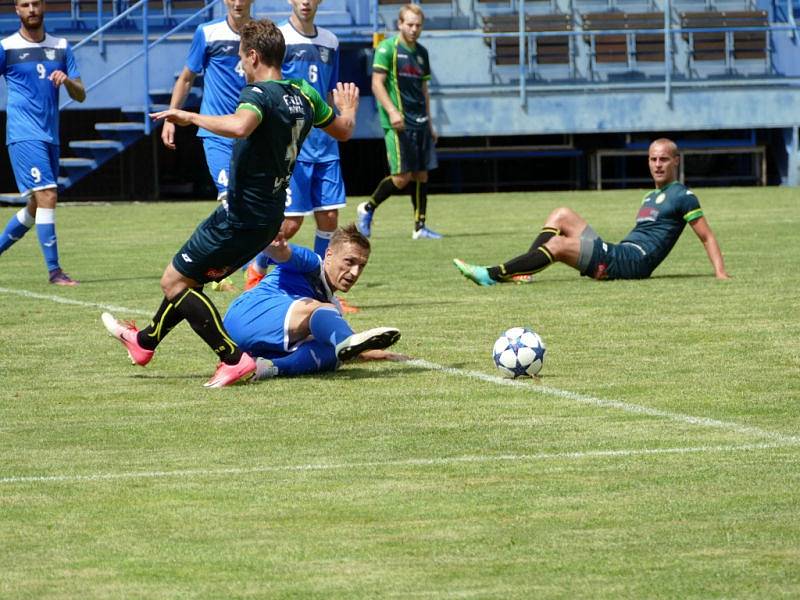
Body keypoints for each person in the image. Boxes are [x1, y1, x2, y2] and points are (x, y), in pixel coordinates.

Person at [101, 19, 360, 387]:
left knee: (174, 283)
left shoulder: (258, 93)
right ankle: (144, 342)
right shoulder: (303, 93)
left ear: (253, 56)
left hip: (239, 215)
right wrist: (347, 109)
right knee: (192, 277)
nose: (241, 64)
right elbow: (344, 130)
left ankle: (233, 358)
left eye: (242, 57)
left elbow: (241, 126)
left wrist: (188, 115)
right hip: (270, 217)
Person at [454, 138, 731, 285]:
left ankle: (491, 273)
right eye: (652, 159)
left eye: (663, 159)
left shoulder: (683, 195)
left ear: (676, 162)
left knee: (559, 245)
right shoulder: (650, 195)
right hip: (622, 251)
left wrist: (720, 274)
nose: (657, 164)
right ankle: (523, 272)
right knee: (561, 213)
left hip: (634, 263)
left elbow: (706, 236)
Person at [244, 0, 354, 315]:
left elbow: (331, 90)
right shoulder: (280, 38)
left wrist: (341, 121)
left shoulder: (330, 41)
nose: (305, 1)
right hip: (295, 143)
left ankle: (322, 289)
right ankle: (257, 267)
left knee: (329, 219)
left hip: (326, 143)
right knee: (290, 224)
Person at [225, 224, 404, 379]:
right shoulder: (311, 263)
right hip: (245, 315)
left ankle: (268, 367)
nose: (355, 272)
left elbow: (351, 350)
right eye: (349, 261)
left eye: (361, 266)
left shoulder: (332, 309)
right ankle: (343, 341)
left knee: (331, 351)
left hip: (248, 347)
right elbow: (281, 252)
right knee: (328, 318)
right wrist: (259, 269)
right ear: (329, 254)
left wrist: (385, 355)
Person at [0, 0, 86, 285]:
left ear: (44, 6)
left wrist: (68, 81)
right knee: (48, 194)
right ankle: (55, 271)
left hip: (51, 135)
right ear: (17, 10)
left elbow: (81, 94)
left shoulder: (61, 46)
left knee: (37, 205)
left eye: (35, 3)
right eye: (25, 5)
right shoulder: (6, 47)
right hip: (23, 134)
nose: (31, 9)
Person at [356, 3, 442, 241]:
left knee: (422, 175)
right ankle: (368, 208)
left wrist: (431, 123)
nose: (414, 29)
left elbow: (424, 89)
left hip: (421, 122)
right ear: (400, 24)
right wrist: (393, 112)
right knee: (401, 178)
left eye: (418, 25)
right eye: (410, 24)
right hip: (398, 123)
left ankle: (419, 227)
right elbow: (376, 84)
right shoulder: (387, 49)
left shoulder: (422, 53)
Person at [160, 0, 252, 205]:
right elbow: (186, 79)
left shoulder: (262, 34)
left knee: (258, 208)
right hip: (216, 133)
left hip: (252, 130)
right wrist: (170, 118)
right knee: (231, 201)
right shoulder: (208, 32)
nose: (237, 3)